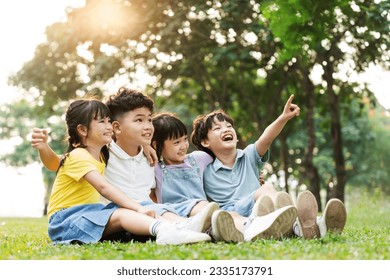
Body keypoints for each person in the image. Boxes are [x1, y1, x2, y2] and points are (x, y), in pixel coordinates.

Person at [32, 88, 220, 240]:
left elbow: (121, 136)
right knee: (123, 213)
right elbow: (97, 184)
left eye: (108, 121)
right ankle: (168, 229)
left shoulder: (101, 153)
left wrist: (145, 144)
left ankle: (182, 227)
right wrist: (43, 147)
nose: (108, 126)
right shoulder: (79, 155)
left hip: (90, 213)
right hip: (65, 219)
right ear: (82, 129)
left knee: (128, 212)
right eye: (102, 122)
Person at [191, 94, 346, 239]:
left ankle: (313, 225)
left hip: (261, 207)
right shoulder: (205, 171)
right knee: (262, 194)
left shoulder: (248, 156)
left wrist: (283, 118)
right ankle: (294, 225)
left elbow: (267, 138)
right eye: (217, 128)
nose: (226, 129)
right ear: (205, 142)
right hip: (234, 216)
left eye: (229, 126)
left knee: (267, 190)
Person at [151, 112, 298, 242]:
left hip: (208, 207)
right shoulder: (155, 168)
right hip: (182, 210)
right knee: (220, 212)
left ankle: (290, 221)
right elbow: (150, 192)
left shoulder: (198, 159)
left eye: (184, 140)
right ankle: (254, 226)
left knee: (265, 190)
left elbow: (264, 140)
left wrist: (253, 174)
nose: (183, 145)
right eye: (176, 142)